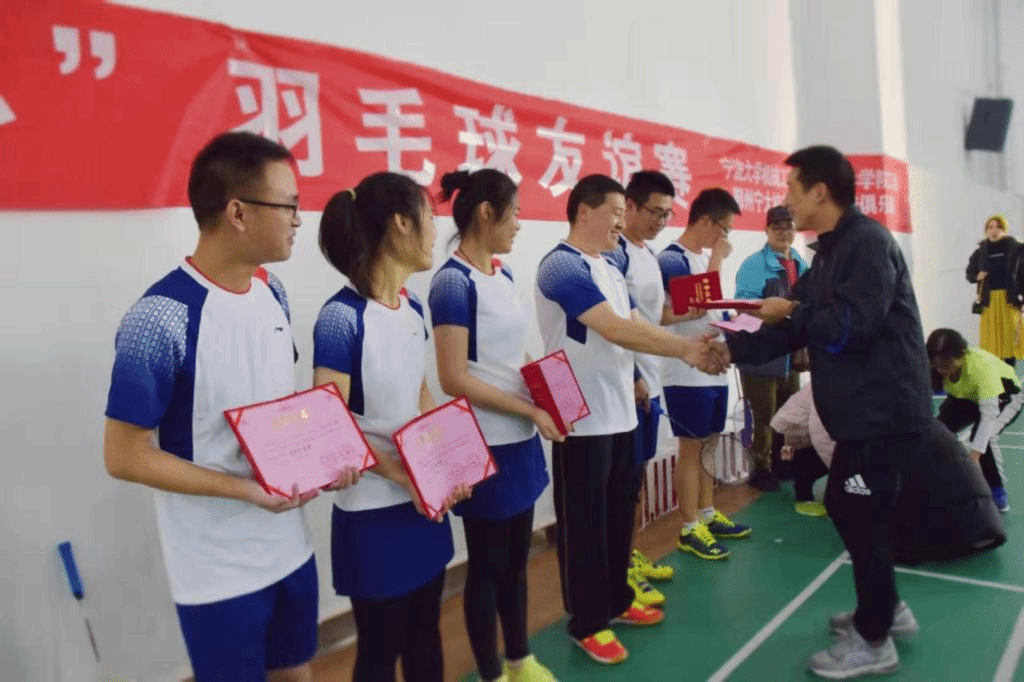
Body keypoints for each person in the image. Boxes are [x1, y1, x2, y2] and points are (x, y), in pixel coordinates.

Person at [103, 131, 359, 681]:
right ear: (238, 212)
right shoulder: (159, 319)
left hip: (289, 546)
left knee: (296, 671)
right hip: (216, 570)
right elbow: (124, 456)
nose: (298, 220)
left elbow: (276, 407)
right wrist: (246, 491)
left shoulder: (273, 292)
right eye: (288, 205)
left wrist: (326, 454)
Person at [716, 145, 932, 678]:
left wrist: (792, 309)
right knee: (850, 506)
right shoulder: (829, 254)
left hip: (884, 412)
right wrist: (728, 349)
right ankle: (887, 610)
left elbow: (851, 325)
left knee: (857, 508)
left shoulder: (868, 243)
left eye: (792, 189)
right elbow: (792, 329)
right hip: (860, 414)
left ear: (820, 191)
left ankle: (875, 640)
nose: (785, 201)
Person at [535, 174, 725, 665]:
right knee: (583, 525)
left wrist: (679, 349)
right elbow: (614, 328)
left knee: (619, 516)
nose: (623, 222)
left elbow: (637, 321)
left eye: (624, 213)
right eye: (616, 212)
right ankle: (586, 622)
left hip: (620, 409)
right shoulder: (560, 265)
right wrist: (684, 350)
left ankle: (617, 600)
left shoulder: (609, 265)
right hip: (580, 417)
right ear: (584, 212)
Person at [312, 172, 469, 682]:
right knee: (380, 652)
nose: (435, 230)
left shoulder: (414, 306)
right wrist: (404, 476)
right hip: (372, 516)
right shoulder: (340, 318)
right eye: (429, 217)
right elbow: (331, 422)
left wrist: (444, 465)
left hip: (421, 503)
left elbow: (418, 391)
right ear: (401, 223)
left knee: (426, 636)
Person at [428, 168, 558, 682]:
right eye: (515, 213)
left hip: (520, 440)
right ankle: (490, 673)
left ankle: (520, 658)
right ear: (486, 212)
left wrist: (545, 391)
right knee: (486, 569)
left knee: (517, 562)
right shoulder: (451, 283)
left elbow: (510, 356)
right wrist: (530, 410)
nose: (520, 224)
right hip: (483, 445)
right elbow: (453, 377)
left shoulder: (500, 276)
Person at [658, 188, 752, 562]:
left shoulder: (701, 259)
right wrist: (717, 258)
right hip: (685, 371)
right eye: (724, 229)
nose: (725, 238)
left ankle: (708, 514)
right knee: (691, 447)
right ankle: (688, 526)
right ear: (705, 221)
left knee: (710, 443)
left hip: (714, 368)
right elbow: (699, 302)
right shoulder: (672, 258)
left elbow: (711, 310)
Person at [605, 170, 678, 608]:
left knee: (637, 476)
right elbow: (617, 324)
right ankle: (620, 569)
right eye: (654, 212)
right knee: (624, 482)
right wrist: (633, 374)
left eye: (667, 214)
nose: (660, 221)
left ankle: (630, 554)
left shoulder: (648, 253)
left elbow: (655, 317)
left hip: (652, 379)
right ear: (629, 206)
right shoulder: (615, 255)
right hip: (630, 386)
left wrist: (704, 319)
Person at [735, 205, 810, 491]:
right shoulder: (754, 264)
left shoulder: (800, 263)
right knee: (763, 415)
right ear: (766, 230)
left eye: (788, 226)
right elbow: (744, 306)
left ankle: (781, 462)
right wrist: (777, 315)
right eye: (776, 227)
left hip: (790, 354)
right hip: (761, 351)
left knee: (787, 412)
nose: (783, 232)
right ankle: (760, 468)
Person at [928, 327, 1023, 512]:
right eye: (937, 366)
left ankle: (997, 491)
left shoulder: (980, 366)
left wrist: (975, 455)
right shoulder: (934, 367)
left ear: (962, 354)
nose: (941, 370)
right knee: (939, 430)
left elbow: (988, 416)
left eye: (946, 365)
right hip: (969, 396)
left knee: (984, 438)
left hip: (1005, 395)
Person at [966, 215, 1023, 365]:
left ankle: (1009, 374)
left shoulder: (1017, 249)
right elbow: (969, 274)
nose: (994, 230)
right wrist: (977, 276)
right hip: (988, 301)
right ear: (986, 231)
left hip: (1009, 299)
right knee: (991, 340)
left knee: (1010, 339)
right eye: (990, 227)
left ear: (1004, 230)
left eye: (998, 227)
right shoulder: (980, 253)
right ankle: (996, 375)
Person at [768, 383, 831, 517]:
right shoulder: (828, 388)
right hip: (791, 440)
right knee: (841, 458)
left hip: (802, 438)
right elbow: (820, 436)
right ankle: (804, 495)